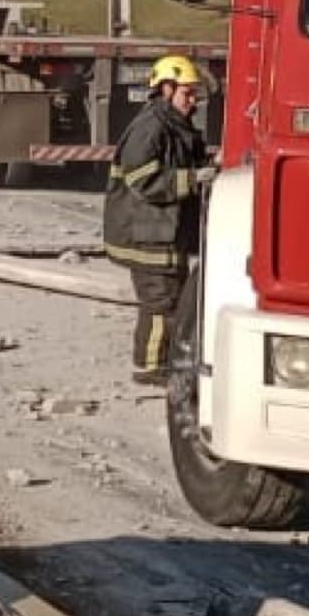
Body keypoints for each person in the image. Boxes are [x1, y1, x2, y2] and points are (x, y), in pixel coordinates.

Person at [103, 54, 214, 384]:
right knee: (160, 302)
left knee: (174, 298)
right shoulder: (150, 127)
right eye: (187, 93)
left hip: (163, 232)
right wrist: (193, 179)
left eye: (195, 94)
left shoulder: (175, 125)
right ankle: (149, 366)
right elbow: (143, 180)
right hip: (146, 234)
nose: (193, 101)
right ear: (165, 89)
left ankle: (167, 361)